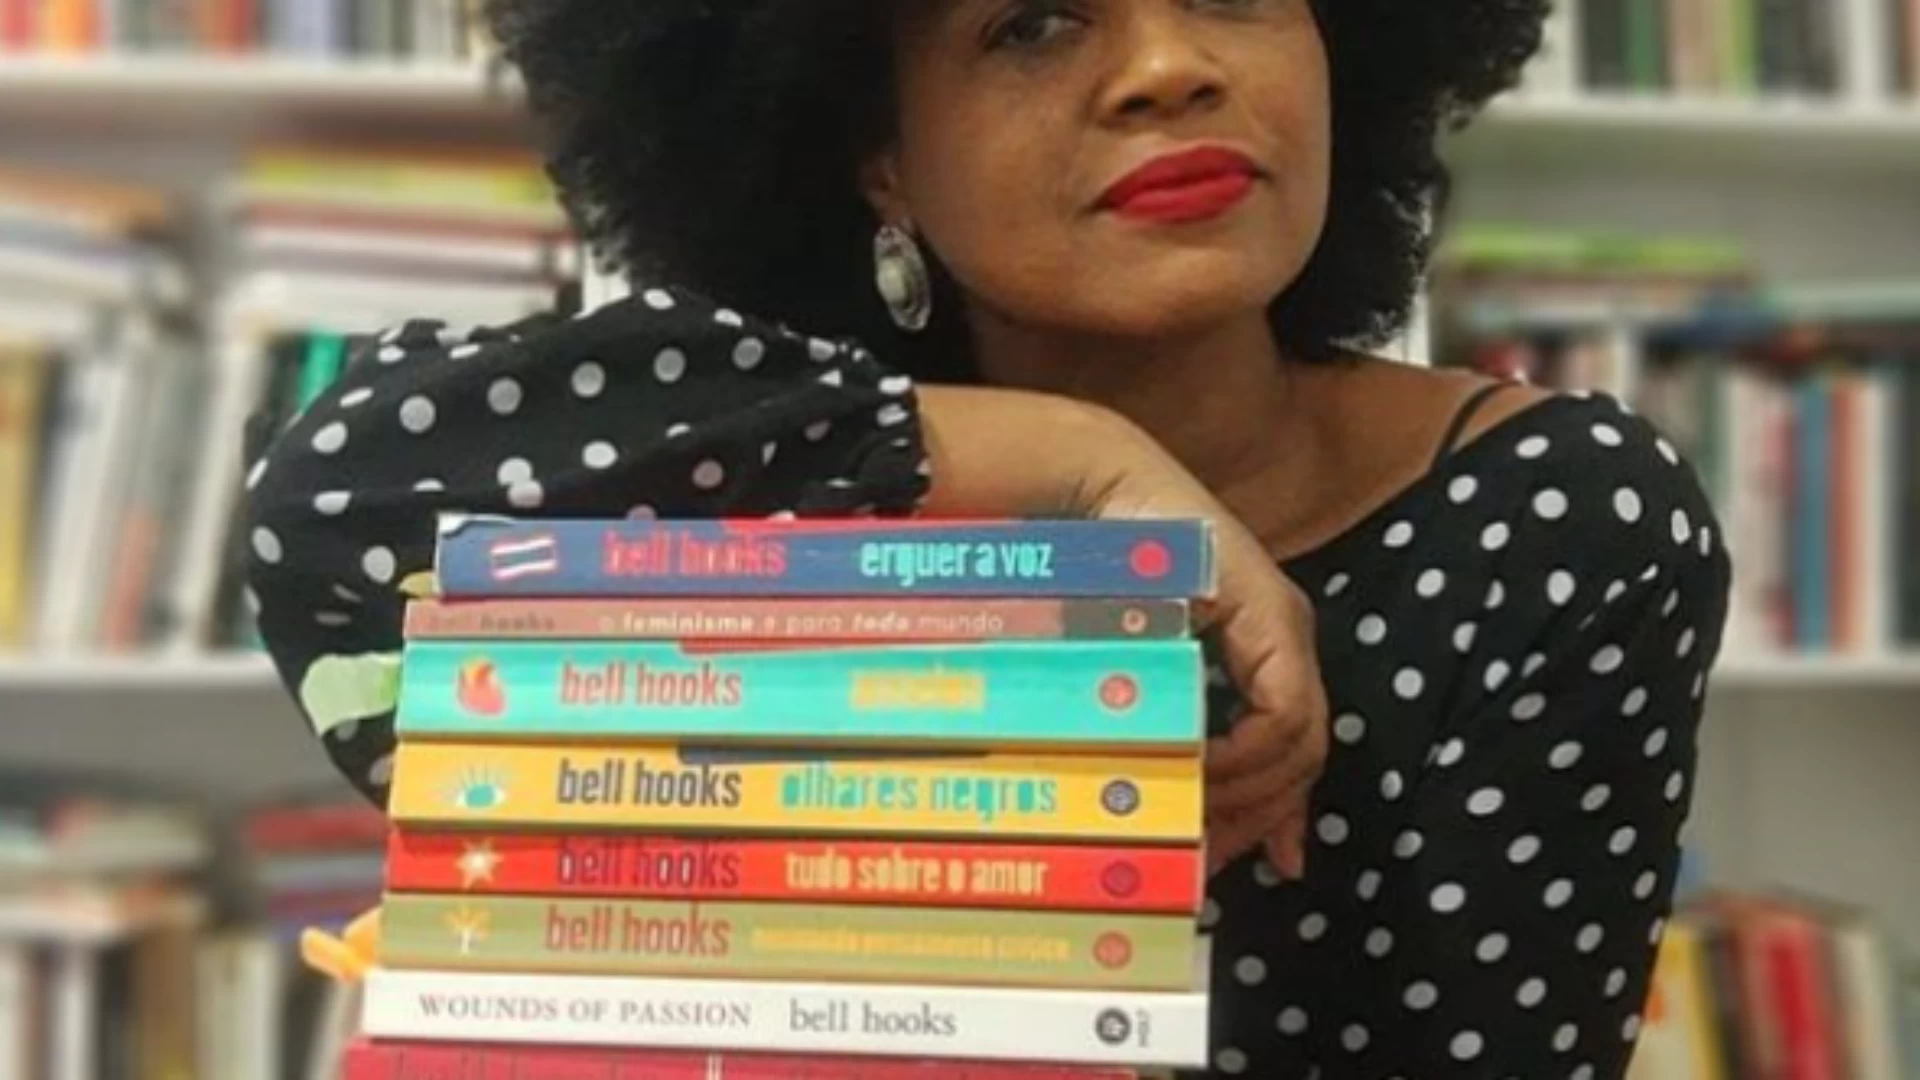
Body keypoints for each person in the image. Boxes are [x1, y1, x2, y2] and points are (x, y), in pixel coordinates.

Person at [242, 0, 1733, 1075]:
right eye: (1030, 23)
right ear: (879, 155)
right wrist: (1080, 469)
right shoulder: (753, 494)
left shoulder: (1555, 521)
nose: (1169, 65)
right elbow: (334, 504)